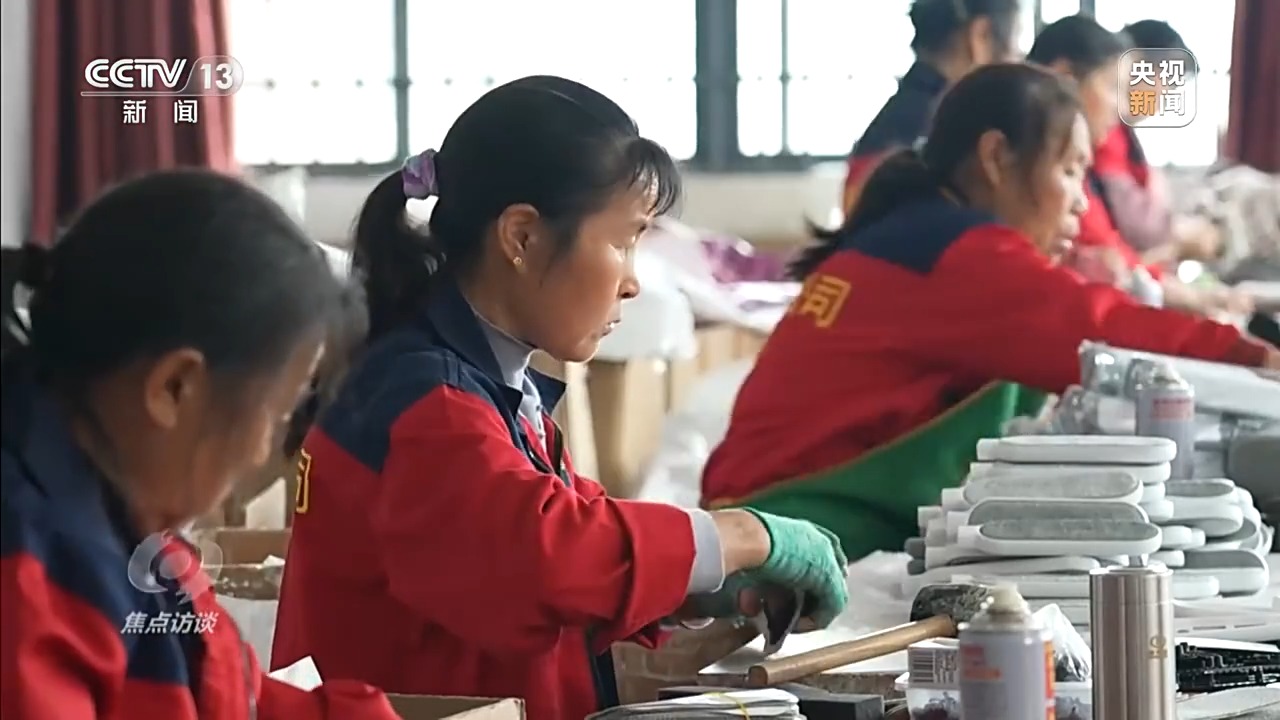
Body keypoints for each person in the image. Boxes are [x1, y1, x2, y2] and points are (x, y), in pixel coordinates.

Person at [270, 75, 849, 720]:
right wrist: (742, 536)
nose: (632, 282)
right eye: (623, 241)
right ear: (522, 237)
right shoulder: (428, 405)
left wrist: (695, 588)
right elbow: (549, 558)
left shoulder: (487, 392)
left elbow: (568, 553)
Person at [701, 63, 1280, 561]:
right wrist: (1254, 358)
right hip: (782, 524)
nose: (1082, 202)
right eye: (1069, 171)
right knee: (1057, 381)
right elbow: (1104, 333)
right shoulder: (960, 255)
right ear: (997, 157)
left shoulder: (913, 233)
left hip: (752, 509)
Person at [0, 171, 402, 720]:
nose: (261, 453)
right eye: (276, 414)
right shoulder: (36, 583)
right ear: (175, 388)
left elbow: (228, 693)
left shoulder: (135, 536)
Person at [1027, 15, 1253, 317]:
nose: (1121, 105)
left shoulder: (1096, 145)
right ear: (1065, 79)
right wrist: (1178, 260)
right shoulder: (1078, 150)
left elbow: (1111, 253)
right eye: (1113, 87)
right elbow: (1115, 249)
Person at [841, 0, 1024, 215]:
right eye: (1015, 48)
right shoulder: (953, 135)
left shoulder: (893, 124)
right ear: (980, 37)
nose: (1019, 63)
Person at [1096, 20, 1223, 266]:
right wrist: (1180, 236)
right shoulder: (1105, 135)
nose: (1165, 95)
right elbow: (1140, 226)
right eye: (1168, 82)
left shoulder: (1122, 133)